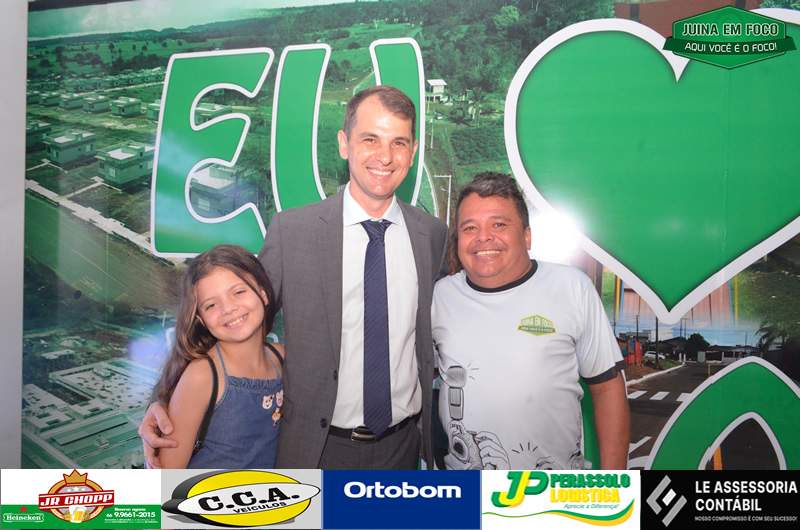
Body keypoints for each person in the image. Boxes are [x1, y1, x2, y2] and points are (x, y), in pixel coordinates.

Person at [140, 86, 447, 469]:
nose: (384, 156)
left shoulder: (431, 235)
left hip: (402, 448)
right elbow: (236, 321)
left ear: (412, 151)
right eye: (370, 139)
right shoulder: (293, 232)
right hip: (318, 450)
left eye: (398, 143)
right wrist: (164, 398)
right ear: (344, 143)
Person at [433, 172, 629, 470]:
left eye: (499, 225)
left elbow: (607, 388)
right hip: (465, 488)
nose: (484, 237)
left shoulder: (571, 288)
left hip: (554, 488)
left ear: (527, 236)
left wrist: (613, 484)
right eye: (470, 227)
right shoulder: (441, 296)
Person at [152, 244, 284, 468]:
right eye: (211, 305)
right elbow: (167, 475)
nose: (228, 308)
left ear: (262, 293)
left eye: (238, 292)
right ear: (201, 319)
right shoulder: (202, 376)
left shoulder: (282, 358)